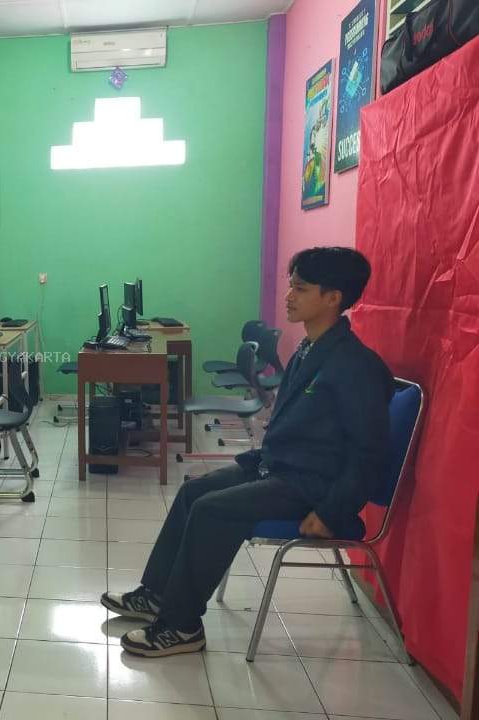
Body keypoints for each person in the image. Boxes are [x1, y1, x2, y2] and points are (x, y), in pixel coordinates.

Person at [101, 246, 393, 658]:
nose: (288, 296)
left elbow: (369, 453)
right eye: (291, 286)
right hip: (280, 468)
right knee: (192, 492)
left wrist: (331, 511)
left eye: (301, 289)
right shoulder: (310, 349)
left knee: (212, 510)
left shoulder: (356, 366)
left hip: (311, 485)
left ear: (333, 297)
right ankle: (156, 595)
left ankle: (182, 627)